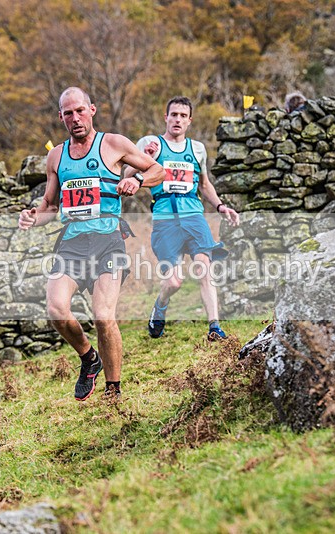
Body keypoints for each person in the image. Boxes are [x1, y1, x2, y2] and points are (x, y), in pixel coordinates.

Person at [18, 87, 164, 401]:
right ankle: (88, 358)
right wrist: (33, 216)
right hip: (71, 242)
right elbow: (49, 205)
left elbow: (158, 170)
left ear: (92, 110)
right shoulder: (56, 156)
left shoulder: (113, 144)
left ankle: (113, 390)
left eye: (80, 110)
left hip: (108, 240)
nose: (75, 118)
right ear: (60, 117)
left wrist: (136, 180)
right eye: (68, 113)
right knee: (57, 310)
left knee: (103, 315)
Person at [125, 96, 240, 341]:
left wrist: (220, 206)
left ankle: (214, 326)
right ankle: (160, 306)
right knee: (174, 282)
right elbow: (126, 174)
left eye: (183, 116)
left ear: (190, 121)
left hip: (194, 215)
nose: (177, 119)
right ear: (166, 117)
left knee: (204, 268)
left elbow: (205, 184)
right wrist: (144, 159)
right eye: (173, 114)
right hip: (165, 218)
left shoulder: (197, 149)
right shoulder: (151, 142)